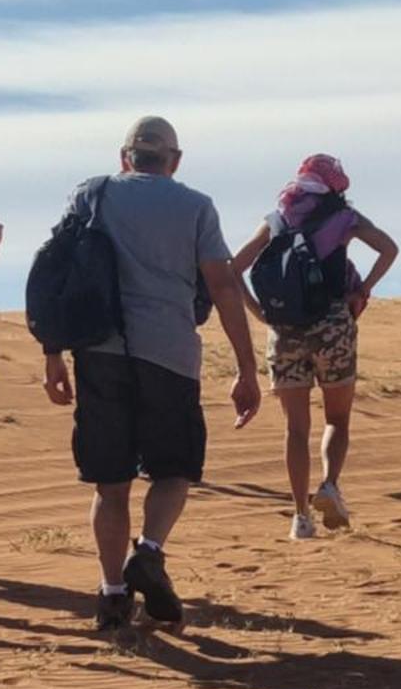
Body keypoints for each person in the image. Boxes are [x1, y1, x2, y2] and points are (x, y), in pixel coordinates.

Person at [41, 114, 261, 635]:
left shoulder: (91, 194)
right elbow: (225, 287)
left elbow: (57, 274)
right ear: (175, 161)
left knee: (110, 481)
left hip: (99, 353)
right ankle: (151, 550)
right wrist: (247, 369)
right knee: (173, 469)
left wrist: (53, 352)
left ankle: (113, 594)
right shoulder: (195, 206)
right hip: (170, 356)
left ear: (124, 157)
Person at [232, 155, 398, 540]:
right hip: (332, 326)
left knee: (295, 428)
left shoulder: (275, 219)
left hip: (284, 331)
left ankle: (300, 517)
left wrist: (257, 311)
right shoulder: (344, 217)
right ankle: (329, 485)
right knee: (337, 419)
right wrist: (363, 288)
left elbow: (232, 268)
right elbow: (388, 249)